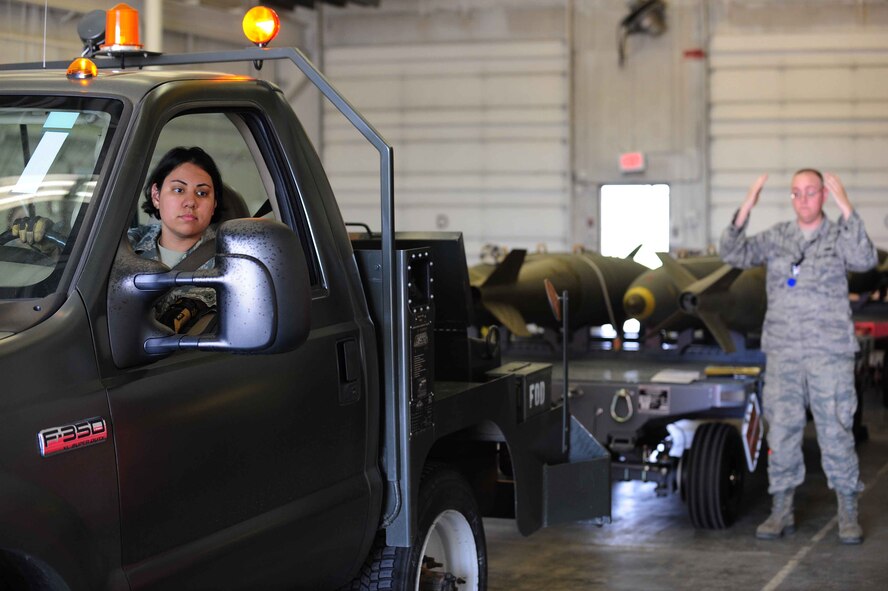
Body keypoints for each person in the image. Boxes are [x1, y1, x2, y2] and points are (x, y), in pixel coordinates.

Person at [719, 169, 877, 545]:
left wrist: (847, 208)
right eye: (796, 193)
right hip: (785, 352)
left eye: (810, 193)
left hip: (829, 352)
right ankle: (781, 510)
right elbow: (732, 252)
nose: (803, 199)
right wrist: (746, 207)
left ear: (822, 195)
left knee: (836, 430)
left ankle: (848, 512)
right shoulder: (778, 238)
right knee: (784, 431)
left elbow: (866, 258)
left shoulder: (840, 235)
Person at [128, 146, 224, 332]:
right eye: (179, 190)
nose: (190, 202)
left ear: (214, 205)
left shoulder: (231, 260)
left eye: (202, 193)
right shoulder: (125, 246)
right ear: (156, 195)